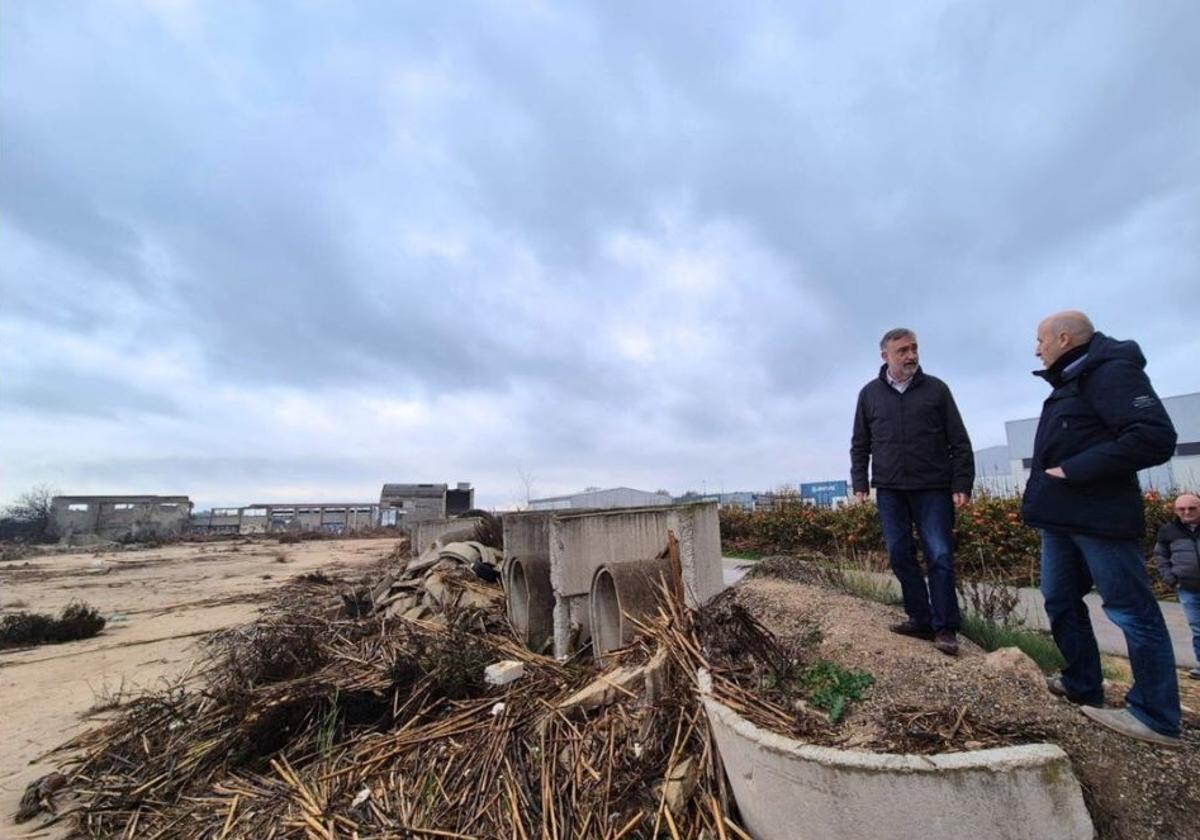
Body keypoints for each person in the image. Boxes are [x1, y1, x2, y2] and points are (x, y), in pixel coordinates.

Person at [1021, 310, 1181, 747]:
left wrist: (1073, 471)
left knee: (1131, 611)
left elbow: (1154, 437)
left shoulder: (1111, 373)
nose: (1037, 348)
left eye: (1041, 340)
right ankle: (1082, 682)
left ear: (1064, 338)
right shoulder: (1073, 379)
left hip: (1100, 521)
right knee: (1058, 600)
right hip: (1061, 520)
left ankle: (1156, 715)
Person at [850, 328, 974, 656]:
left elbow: (959, 440)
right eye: (902, 350)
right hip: (890, 489)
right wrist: (859, 482)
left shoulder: (937, 390)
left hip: (933, 487)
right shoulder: (869, 394)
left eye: (914, 348)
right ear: (885, 356)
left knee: (940, 555)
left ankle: (945, 627)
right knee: (899, 554)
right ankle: (920, 618)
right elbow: (860, 444)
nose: (911, 355)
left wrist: (962, 483)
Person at [1155, 493, 1200, 680]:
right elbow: (1161, 556)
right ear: (1175, 510)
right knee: (1198, 628)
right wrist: (1169, 577)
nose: (1187, 512)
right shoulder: (1168, 531)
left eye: (1192, 508)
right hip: (1188, 589)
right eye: (1182, 509)